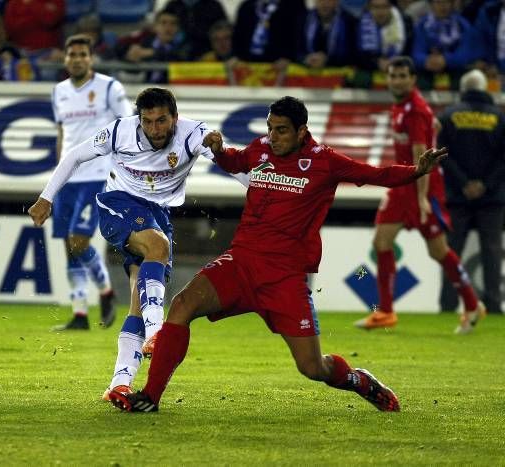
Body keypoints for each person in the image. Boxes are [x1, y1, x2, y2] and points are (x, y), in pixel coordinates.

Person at [108, 96, 449, 414]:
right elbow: (235, 160)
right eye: (270, 128)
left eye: (281, 130)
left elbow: (373, 174)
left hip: (284, 278)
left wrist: (415, 171)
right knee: (181, 306)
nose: (273, 136)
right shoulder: (260, 149)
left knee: (313, 368)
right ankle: (150, 397)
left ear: (302, 131)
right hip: (241, 263)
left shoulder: (325, 161)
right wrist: (218, 149)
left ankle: (358, 380)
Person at [28, 88, 246, 399]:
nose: (155, 129)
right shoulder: (120, 132)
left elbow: (234, 166)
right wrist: (45, 198)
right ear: (139, 119)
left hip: (159, 214)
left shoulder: (194, 134)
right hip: (119, 202)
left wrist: (262, 194)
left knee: (137, 298)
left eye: (162, 121)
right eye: (148, 121)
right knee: (158, 248)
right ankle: (157, 333)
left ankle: (119, 381)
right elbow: (75, 155)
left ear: (175, 117)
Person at [355, 56, 485, 334]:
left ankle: (473, 304)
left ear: (413, 79)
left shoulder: (414, 110)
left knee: (438, 251)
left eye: (403, 76)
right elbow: (430, 130)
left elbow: (421, 156)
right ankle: (386, 311)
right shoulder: (405, 107)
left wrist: (423, 197)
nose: (397, 80)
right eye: (393, 75)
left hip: (420, 188)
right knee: (381, 241)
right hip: (403, 187)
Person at [48, 34, 132, 331]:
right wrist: (58, 175)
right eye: (72, 54)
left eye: (83, 54)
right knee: (67, 247)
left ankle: (106, 292)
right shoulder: (58, 91)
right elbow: (62, 134)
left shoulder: (109, 87)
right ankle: (80, 313)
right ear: (65, 59)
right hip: (69, 179)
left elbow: (127, 128)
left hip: (97, 176)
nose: (77, 59)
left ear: (91, 58)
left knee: (77, 240)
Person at [437, 69, 505, 315]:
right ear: (485, 89)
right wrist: (484, 184)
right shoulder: (499, 117)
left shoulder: (448, 116)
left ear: (463, 90)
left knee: (451, 251)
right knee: (492, 251)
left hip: (457, 196)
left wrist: (465, 183)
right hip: (492, 197)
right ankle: (495, 305)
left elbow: (441, 155)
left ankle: (447, 304)